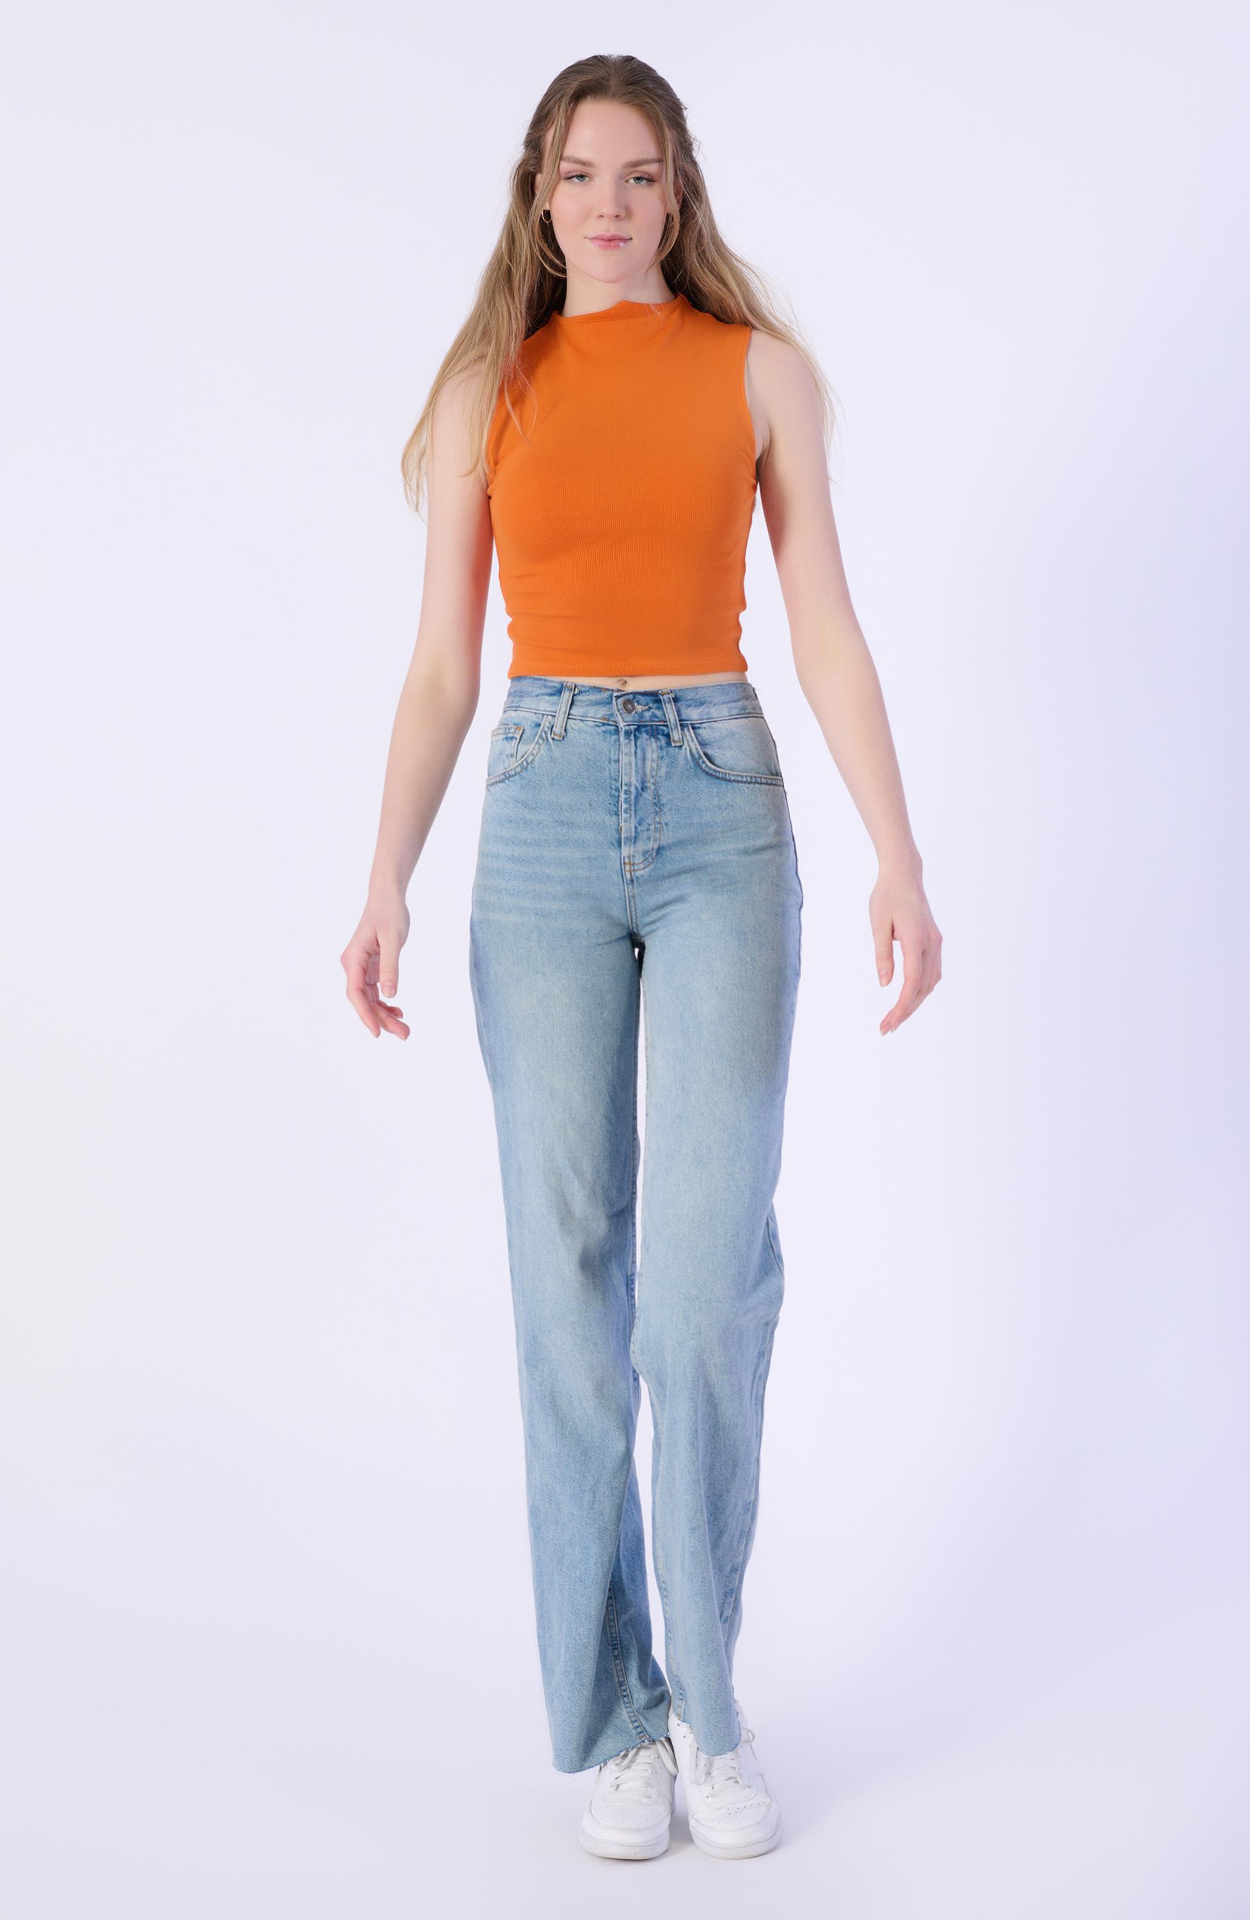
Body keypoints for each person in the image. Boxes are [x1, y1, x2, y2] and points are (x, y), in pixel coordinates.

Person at [341, 54, 942, 1862]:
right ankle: (613, 1719)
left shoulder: (759, 374)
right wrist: (384, 878)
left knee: (698, 1285)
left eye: (640, 174)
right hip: (536, 804)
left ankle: (712, 1709)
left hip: (717, 802)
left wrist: (900, 853)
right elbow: (441, 667)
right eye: (580, 173)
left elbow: (823, 627)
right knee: (568, 1281)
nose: (608, 203)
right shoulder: (488, 387)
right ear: (539, 195)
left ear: (678, 193)